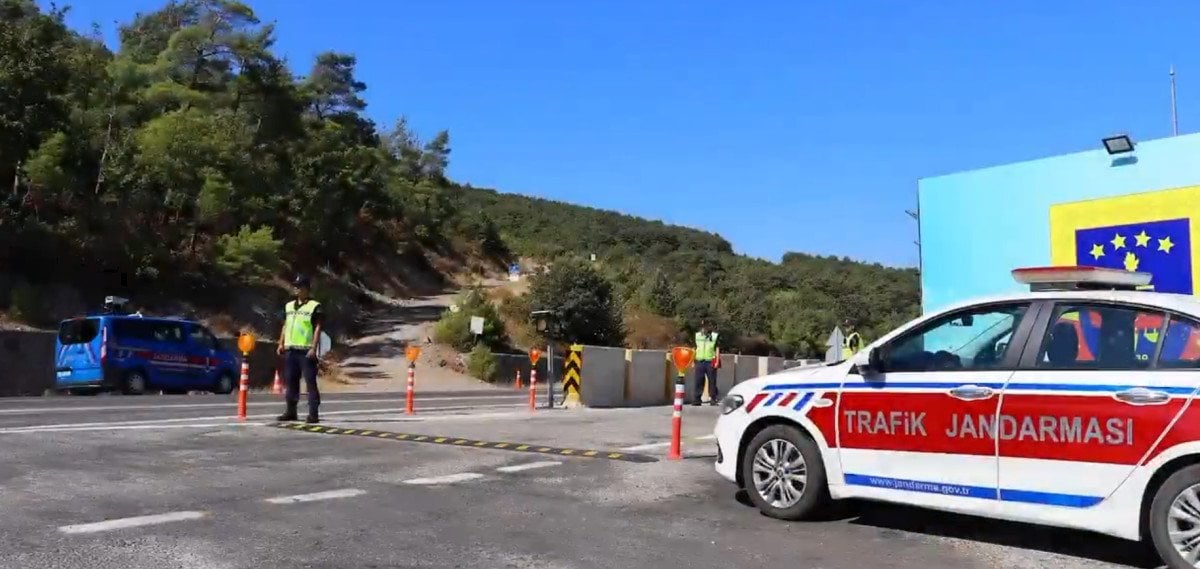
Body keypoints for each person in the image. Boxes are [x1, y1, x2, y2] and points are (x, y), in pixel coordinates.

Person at [277, 274, 324, 423]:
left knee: (310, 382)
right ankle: (291, 411)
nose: (296, 289)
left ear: (306, 288)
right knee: (291, 381)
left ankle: (313, 413)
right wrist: (281, 343)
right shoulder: (288, 306)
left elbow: (317, 327)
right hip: (291, 349)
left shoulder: (315, 306)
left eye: (299, 286)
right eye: (295, 286)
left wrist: (313, 347)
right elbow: (285, 325)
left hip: (306, 350)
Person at [692, 320, 720, 406]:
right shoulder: (697, 335)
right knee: (698, 380)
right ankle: (697, 399)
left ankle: (713, 398)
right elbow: (694, 348)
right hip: (699, 361)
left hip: (710, 361)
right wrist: (692, 361)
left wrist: (717, 361)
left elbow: (717, 349)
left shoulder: (714, 336)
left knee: (712, 381)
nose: (703, 328)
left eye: (705, 326)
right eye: (702, 327)